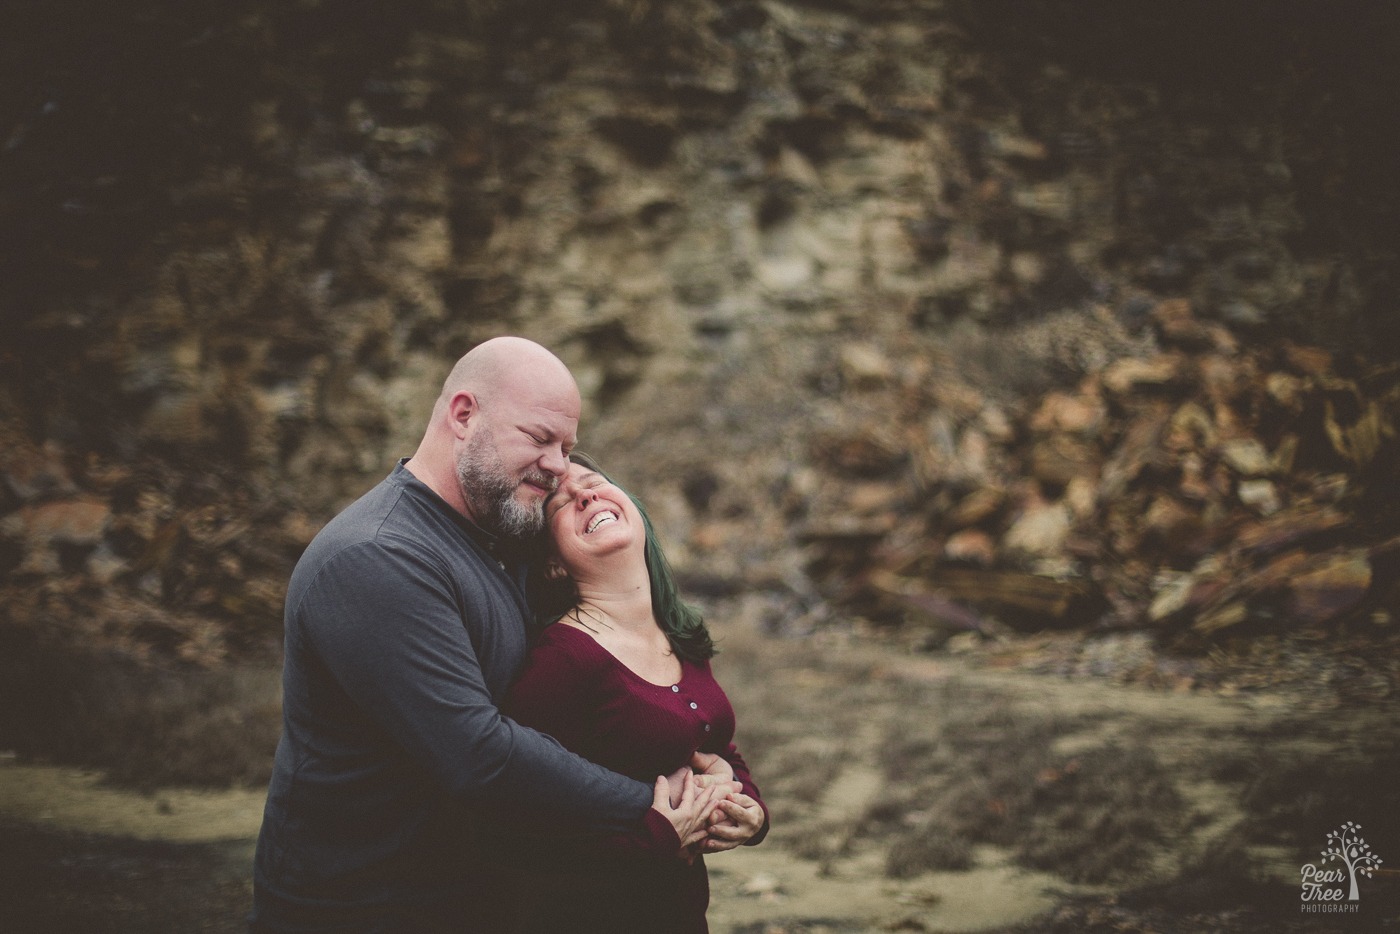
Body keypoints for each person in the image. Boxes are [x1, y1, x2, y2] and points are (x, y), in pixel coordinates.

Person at [250, 338, 732, 933]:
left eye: (567, 447)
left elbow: (600, 694)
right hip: (361, 905)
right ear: (463, 414)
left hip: (476, 900)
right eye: (539, 438)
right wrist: (651, 805)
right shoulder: (377, 557)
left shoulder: (506, 537)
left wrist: (719, 782)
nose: (558, 465)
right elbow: (476, 752)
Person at [496, 454, 770, 933]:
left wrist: (750, 811)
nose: (585, 495)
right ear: (553, 563)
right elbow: (515, 823)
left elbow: (715, 750)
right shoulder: (561, 661)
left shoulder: (677, 633)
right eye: (561, 504)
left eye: (594, 481)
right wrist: (657, 836)